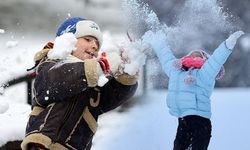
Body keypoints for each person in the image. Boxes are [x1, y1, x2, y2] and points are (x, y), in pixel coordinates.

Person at [21, 17, 138, 150]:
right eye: (88, 39)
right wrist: (100, 67)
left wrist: (127, 71)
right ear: (67, 41)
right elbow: (64, 78)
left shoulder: (92, 83)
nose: (94, 46)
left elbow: (115, 95)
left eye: (97, 44)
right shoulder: (50, 65)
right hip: (43, 144)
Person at [142, 29, 244, 150]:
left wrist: (227, 45)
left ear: (205, 60)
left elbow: (217, 59)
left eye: (200, 54)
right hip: (183, 122)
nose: (195, 54)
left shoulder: (205, 73)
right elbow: (165, 56)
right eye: (192, 54)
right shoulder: (176, 71)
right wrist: (156, 41)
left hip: (201, 123)